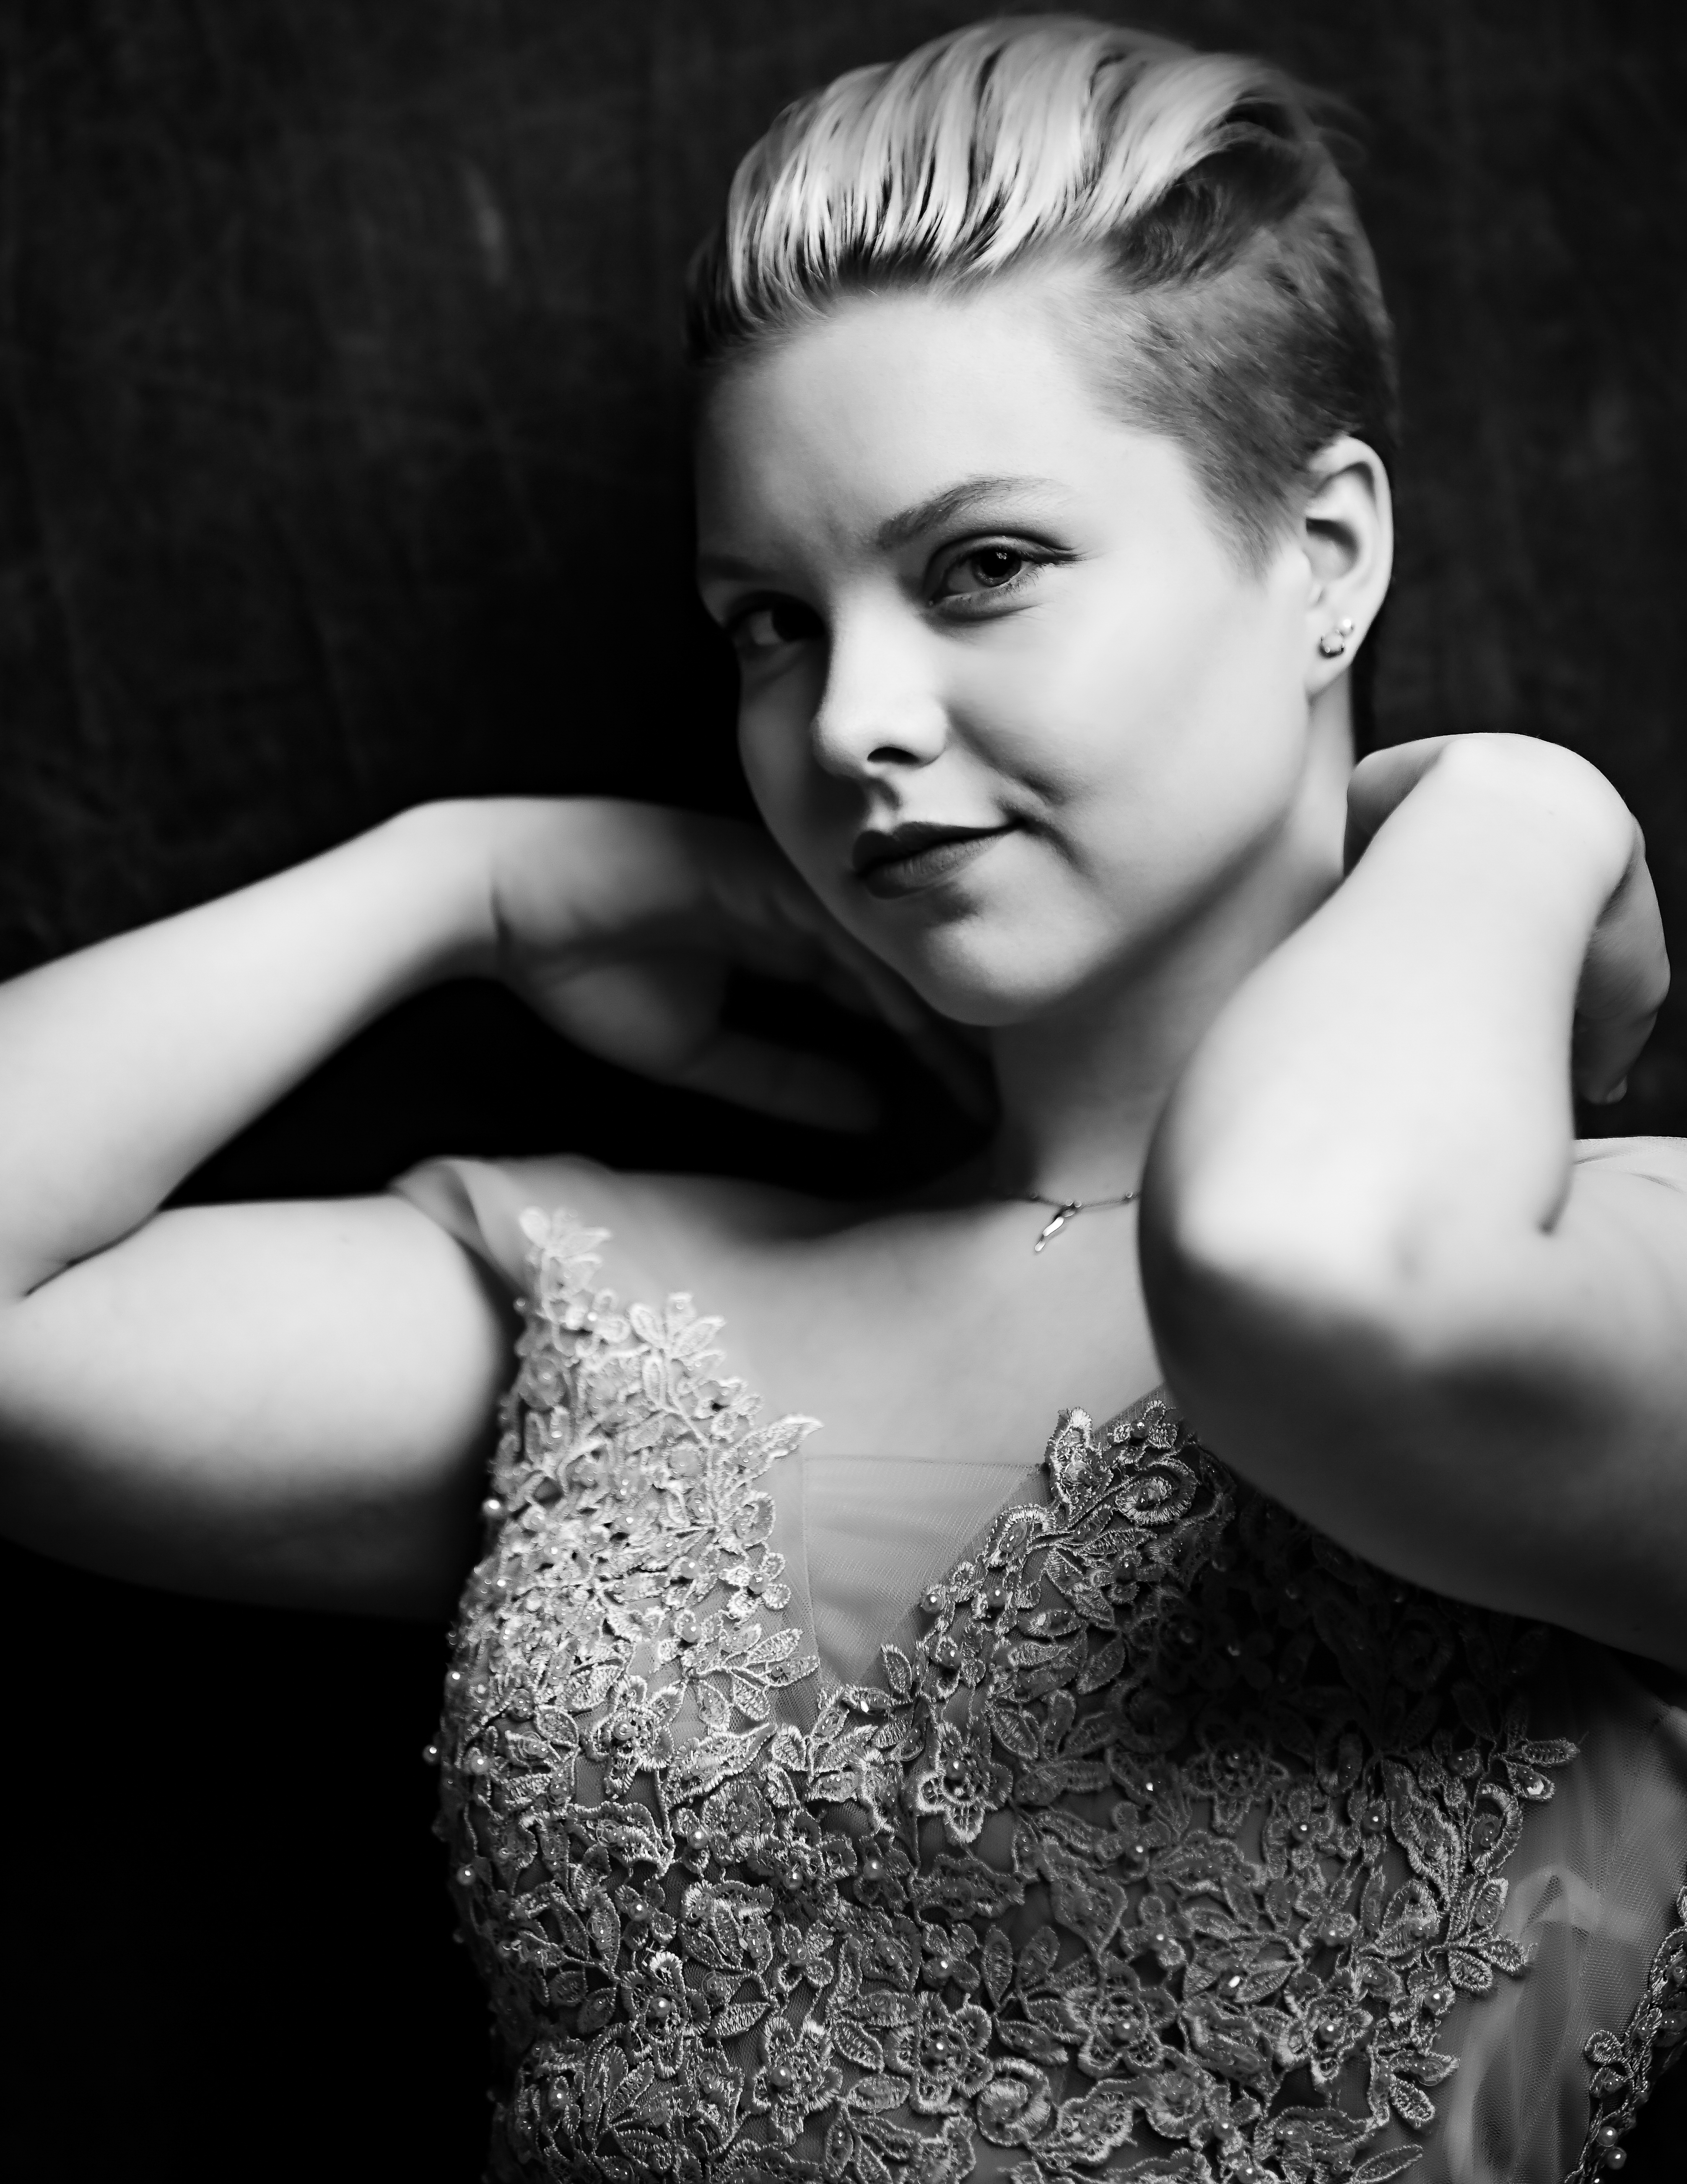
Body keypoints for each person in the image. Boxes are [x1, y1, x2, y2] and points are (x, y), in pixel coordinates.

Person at [0, 14, 1682, 2180]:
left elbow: (1299, 1259)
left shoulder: (1624, 1263)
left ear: (1325, 552)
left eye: (980, 565)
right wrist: (460, 874)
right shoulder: (604, 1304)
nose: (854, 718)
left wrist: (1510, 804)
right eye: (771, 625)